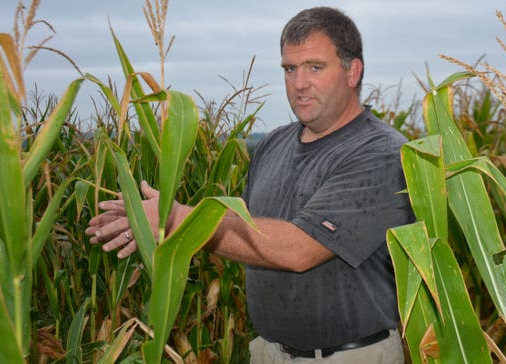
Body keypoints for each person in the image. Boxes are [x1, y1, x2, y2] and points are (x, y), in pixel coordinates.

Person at [87, 6, 413, 363]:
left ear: (353, 72)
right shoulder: (272, 145)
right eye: (290, 69)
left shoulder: (381, 153)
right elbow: (250, 235)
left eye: (314, 68)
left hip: (350, 356)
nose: (299, 83)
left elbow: (300, 250)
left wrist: (180, 220)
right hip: (267, 352)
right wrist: (161, 224)